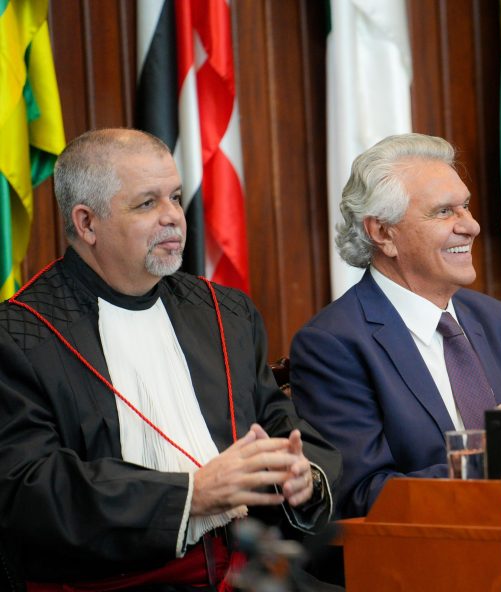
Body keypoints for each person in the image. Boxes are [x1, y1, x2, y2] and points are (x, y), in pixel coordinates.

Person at [0, 128, 342, 588]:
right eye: (147, 204)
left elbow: (278, 420)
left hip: (247, 573)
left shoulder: (225, 311)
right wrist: (189, 496)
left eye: (176, 198)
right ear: (87, 223)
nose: (174, 218)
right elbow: (30, 486)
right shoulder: (18, 335)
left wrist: (301, 475)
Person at [290, 133, 501, 519]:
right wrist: (493, 460)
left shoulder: (492, 317)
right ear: (383, 233)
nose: (471, 226)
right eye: (444, 212)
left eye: (467, 207)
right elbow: (360, 497)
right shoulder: (333, 343)